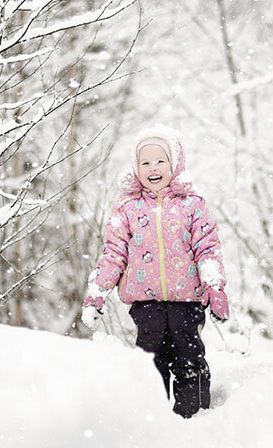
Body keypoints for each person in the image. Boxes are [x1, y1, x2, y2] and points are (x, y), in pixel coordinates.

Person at [81, 123, 230, 418]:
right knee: (150, 362)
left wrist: (214, 286)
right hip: (145, 303)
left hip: (187, 302)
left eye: (160, 160)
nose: (153, 167)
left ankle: (195, 418)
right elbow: (114, 254)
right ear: (136, 167)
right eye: (145, 162)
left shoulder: (192, 204)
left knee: (190, 357)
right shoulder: (128, 207)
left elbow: (207, 249)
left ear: (175, 163)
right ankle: (153, 420)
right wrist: (97, 293)